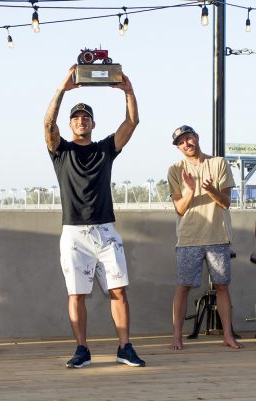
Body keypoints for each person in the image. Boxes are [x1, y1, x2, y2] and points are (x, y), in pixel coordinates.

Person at [44, 64, 145, 368]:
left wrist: (129, 91)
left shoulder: (105, 149)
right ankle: (81, 349)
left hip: (105, 231)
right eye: (76, 118)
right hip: (74, 233)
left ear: (93, 123)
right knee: (77, 294)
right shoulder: (60, 150)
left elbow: (132, 122)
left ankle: (124, 347)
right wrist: (62, 90)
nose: (81, 121)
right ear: (70, 124)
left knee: (119, 290)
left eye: (86, 117)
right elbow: (48, 124)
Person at [167, 125, 243, 351]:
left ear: (196, 137)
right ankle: (177, 337)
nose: (186, 143)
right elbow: (179, 209)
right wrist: (190, 190)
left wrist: (210, 190)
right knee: (183, 287)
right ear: (178, 147)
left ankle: (227, 335)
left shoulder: (218, 163)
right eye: (181, 142)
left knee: (222, 286)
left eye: (188, 138)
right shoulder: (175, 169)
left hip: (217, 236)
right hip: (188, 238)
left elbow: (227, 202)